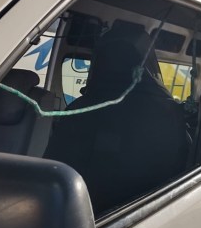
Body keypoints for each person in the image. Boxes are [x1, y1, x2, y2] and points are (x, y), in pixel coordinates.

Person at [44, 26, 189, 216]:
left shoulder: (77, 110)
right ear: (148, 65)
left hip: (69, 217)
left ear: (99, 63)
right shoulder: (168, 113)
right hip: (146, 218)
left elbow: (51, 177)